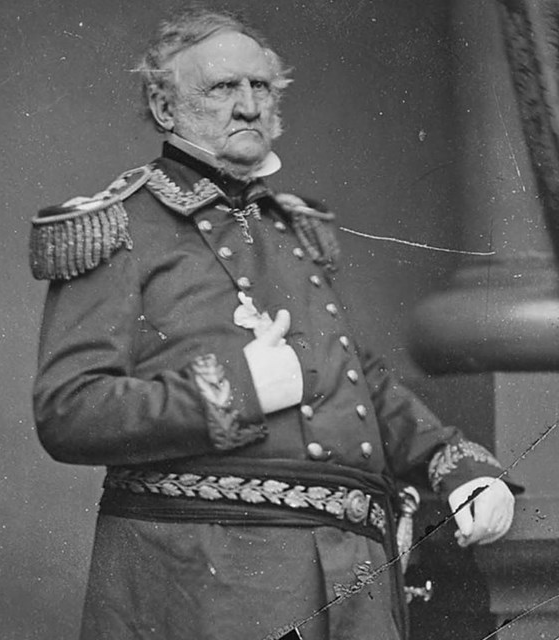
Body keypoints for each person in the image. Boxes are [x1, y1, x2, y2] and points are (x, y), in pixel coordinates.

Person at [29, 9, 515, 640]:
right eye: (222, 88)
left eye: (261, 87)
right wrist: (237, 390)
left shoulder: (292, 227)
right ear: (163, 105)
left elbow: (354, 379)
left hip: (355, 582)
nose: (248, 105)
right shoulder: (119, 226)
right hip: (209, 585)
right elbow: (69, 409)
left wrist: (457, 465)